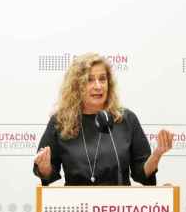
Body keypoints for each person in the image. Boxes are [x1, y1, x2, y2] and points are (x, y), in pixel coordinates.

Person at [33, 52, 173, 186]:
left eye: (102, 79)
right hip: (77, 206)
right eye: (90, 80)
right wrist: (44, 168)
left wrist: (157, 153)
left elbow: (142, 174)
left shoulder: (126, 119)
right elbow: (47, 175)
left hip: (120, 206)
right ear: (76, 86)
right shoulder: (60, 121)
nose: (98, 86)